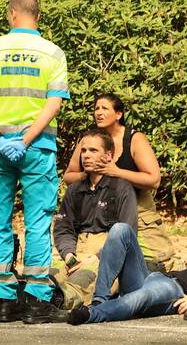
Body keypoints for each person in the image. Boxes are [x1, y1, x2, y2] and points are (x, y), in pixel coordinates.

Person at [0, 0, 69, 324]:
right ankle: (38, 298)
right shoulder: (53, 53)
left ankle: (4, 298)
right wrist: (26, 139)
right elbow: (53, 104)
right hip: (37, 148)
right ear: (36, 16)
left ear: (12, 14)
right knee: (37, 221)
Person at [63, 93, 175, 269]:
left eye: (104, 108)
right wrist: (88, 174)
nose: (98, 112)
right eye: (96, 108)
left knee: (156, 264)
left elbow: (154, 180)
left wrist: (115, 172)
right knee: (94, 264)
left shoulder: (134, 139)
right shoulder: (89, 140)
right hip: (101, 214)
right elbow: (69, 176)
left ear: (118, 114)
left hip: (139, 212)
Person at [65, 221, 187, 325]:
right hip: (153, 277)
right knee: (121, 229)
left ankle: (92, 314)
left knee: (142, 296)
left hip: (172, 291)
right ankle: (100, 300)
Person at [51, 129, 140, 313]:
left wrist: (96, 257)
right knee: (50, 276)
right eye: (84, 151)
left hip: (107, 253)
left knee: (83, 279)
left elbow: (127, 233)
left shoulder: (122, 188)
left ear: (108, 156)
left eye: (93, 150)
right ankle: (25, 294)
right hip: (78, 250)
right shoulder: (74, 190)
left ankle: (60, 300)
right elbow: (63, 227)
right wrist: (69, 255)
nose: (86, 156)